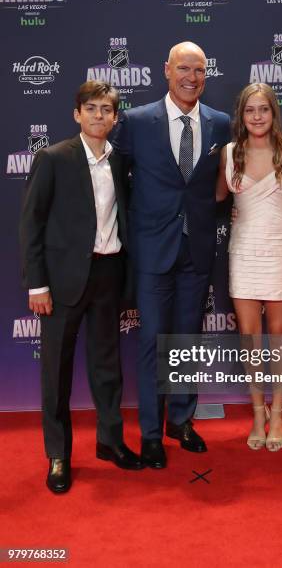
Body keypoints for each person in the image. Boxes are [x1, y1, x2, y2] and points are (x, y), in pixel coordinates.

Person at [19, 81, 143, 494]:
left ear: (115, 117)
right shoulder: (53, 158)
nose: (98, 116)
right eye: (90, 108)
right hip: (62, 279)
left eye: (106, 109)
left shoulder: (120, 160)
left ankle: (110, 442)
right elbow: (31, 224)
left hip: (109, 274)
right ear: (77, 114)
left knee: (107, 366)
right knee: (56, 370)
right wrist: (37, 284)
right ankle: (58, 455)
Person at [113, 41, 231, 469]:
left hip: (197, 248)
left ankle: (180, 421)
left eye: (199, 70)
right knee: (152, 344)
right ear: (166, 70)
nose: (191, 78)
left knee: (186, 343)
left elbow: (220, 182)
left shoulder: (220, 124)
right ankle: (149, 434)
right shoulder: (137, 121)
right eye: (184, 68)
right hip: (151, 250)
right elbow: (116, 183)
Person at [216, 83, 282, 451]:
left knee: (279, 335)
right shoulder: (229, 152)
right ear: (242, 115)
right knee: (250, 338)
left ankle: (278, 411)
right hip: (244, 251)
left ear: (273, 113)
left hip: (280, 249)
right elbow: (219, 195)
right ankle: (257, 411)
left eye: (263, 110)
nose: (256, 116)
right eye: (250, 110)